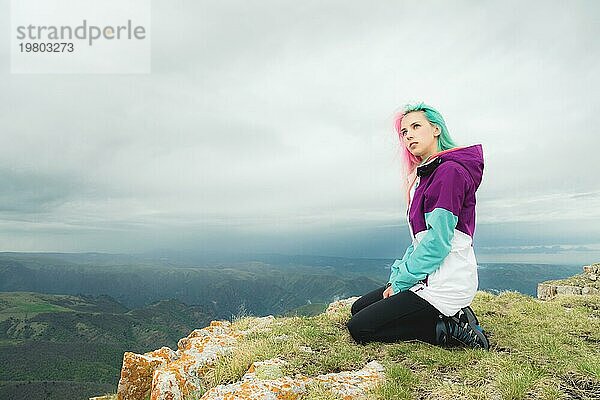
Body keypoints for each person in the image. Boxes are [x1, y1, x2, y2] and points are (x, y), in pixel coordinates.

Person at [346, 102, 489, 350]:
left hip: (445, 282)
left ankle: (449, 328)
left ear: (435, 129)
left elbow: (437, 243)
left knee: (361, 328)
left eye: (415, 126)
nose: (408, 135)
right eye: (404, 132)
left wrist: (401, 283)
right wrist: (397, 277)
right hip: (427, 277)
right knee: (358, 308)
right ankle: (453, 313)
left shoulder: (449, 172)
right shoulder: (425, 177)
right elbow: (419, 242)